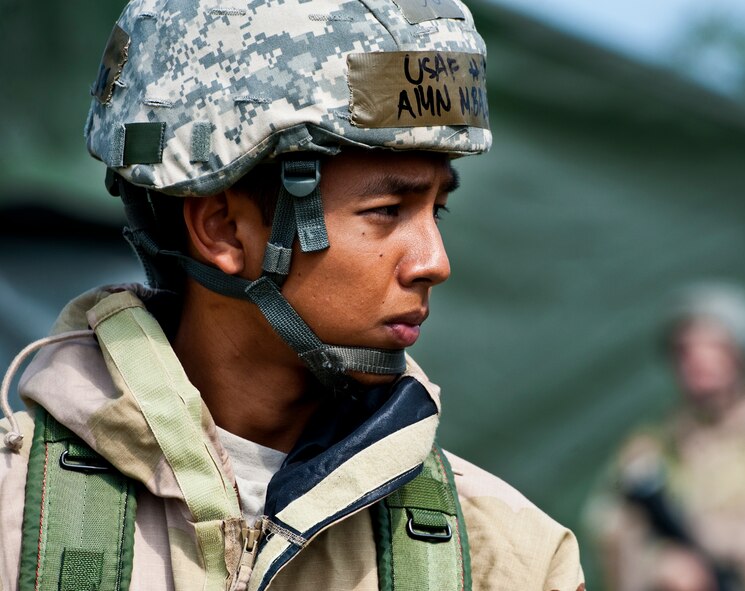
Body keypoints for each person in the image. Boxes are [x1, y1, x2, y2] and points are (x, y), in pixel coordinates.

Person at [0, 0, 585, 589]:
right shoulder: (15, 518)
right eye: (387, 212)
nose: (435, 263)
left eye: (439, 209)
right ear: (224, 229)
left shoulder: (505, 559)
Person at [585, 282, 745, 591]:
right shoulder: (647, 452)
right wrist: (655, 567)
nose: (698, 362)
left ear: (743, 357)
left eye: (714, 348)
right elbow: (609, 536)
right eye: (685, 350)